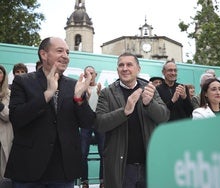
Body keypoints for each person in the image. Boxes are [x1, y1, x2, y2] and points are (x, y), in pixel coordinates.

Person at [4, 37, 95, 188]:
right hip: (28, 168)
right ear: (44, 54)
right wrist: (47, 94)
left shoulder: (75, 85)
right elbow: (17, 118)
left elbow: (88, 122)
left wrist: (79, 98)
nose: (65, 56)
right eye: (59, 51)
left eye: (67, 52)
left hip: (63, 171)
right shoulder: (23, 82)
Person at [95, 52, 170, 188]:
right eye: (121, 65)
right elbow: (99, 124)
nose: (125, 68)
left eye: (129, 64)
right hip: (121, 167)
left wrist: (149, 104)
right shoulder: (107, 93)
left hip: (149, 165)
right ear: (117, 69)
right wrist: (124, 111)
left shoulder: (149, 89)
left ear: (138, 69)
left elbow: (164, 117)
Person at [80, 66, 104, 188]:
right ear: (84, 76)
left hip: (99, 121)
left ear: (95, 74)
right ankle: (85, 181)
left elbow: (104, 107)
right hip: (85, 122)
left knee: (103, 152)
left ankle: (102, 181)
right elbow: (78, 107)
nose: (90, 75)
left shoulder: (101, 88)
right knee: (83, 153)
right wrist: (86, 97)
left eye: (92, 73)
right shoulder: (81, 89)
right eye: (87, 73)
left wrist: (100, 95)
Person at [0, 65, 13, 181]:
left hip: (4, 138)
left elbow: (9, 116)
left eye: (0, 73)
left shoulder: (10, 94)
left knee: (3, 176)